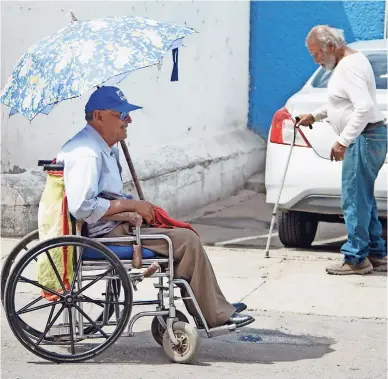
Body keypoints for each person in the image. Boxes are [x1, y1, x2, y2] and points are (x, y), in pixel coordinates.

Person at [56, 85, 255, 328]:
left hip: (115, 225)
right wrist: (131, 205)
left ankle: (211, 307)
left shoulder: (102, 148)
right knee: (185, 240)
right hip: (106, 234)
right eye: (121, 115)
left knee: (179, 233)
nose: (128, 120)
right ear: (99, 116)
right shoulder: (88, 153)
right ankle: (214, 315)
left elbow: (104, 195)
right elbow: (82, 206)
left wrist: (133, 206)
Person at [296, 25, 387, 275]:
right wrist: (314, 115)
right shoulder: (353, 61)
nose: (315, 60)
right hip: (371, 136)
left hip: (364, 137)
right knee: (363, 198)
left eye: (316, 53)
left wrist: (344, 140)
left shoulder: (348, 68)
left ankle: (356, 259)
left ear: (331, 47)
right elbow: (341, 102)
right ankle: (376, 253)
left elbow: (363, 107)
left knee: (354, 199)